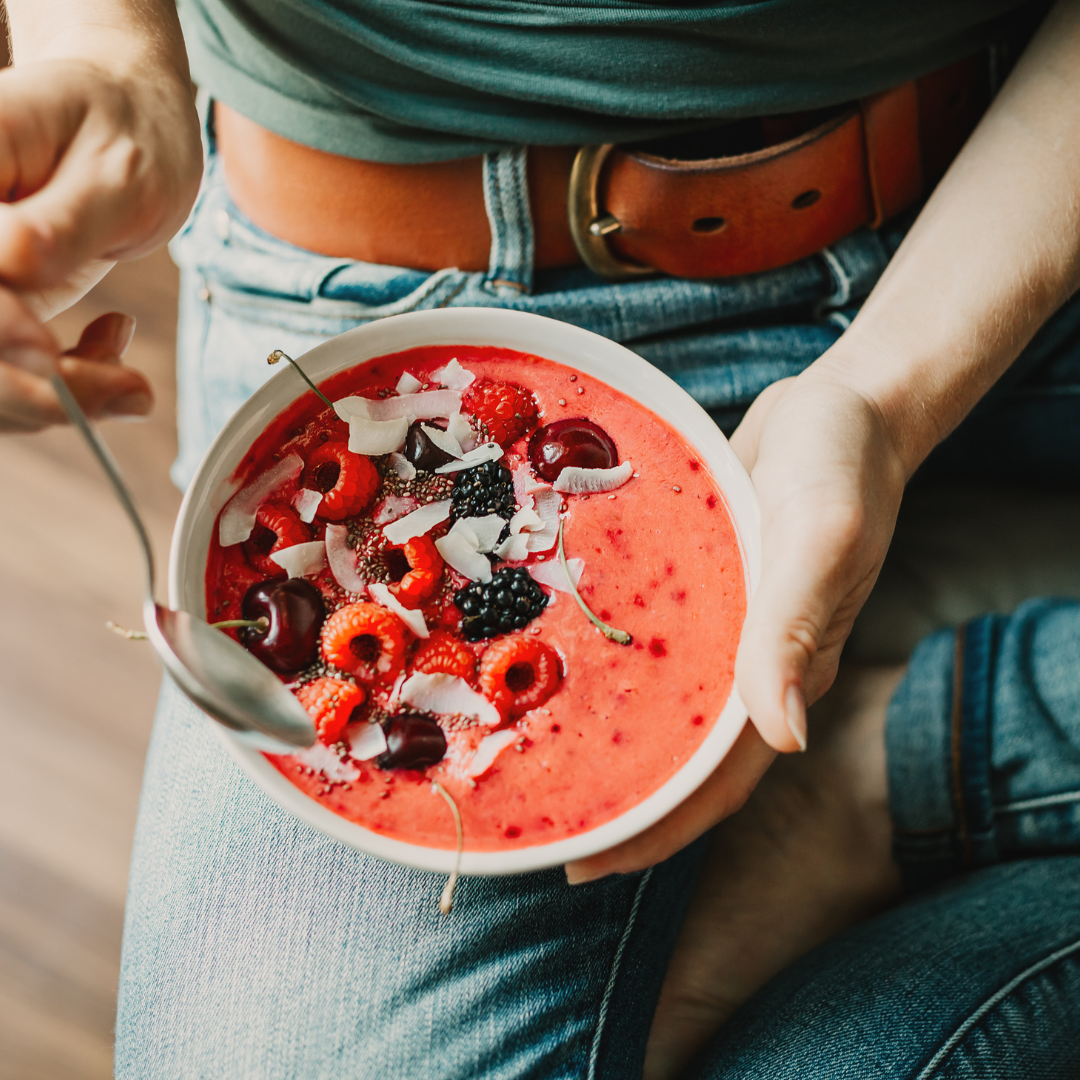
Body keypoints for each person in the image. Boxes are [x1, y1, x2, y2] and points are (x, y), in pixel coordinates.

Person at [2, 0, 1079, 1074]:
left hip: (1017, 193)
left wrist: (884, 403)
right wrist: (109, 57)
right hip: (387, 295)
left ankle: (934, 752)